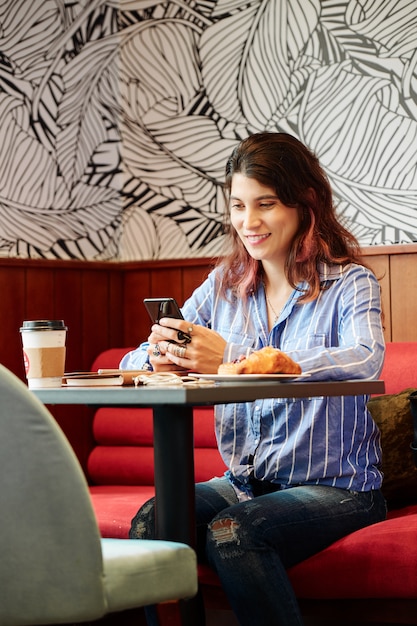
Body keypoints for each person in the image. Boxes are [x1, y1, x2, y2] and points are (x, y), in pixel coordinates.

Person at [120, 132, 387, 626]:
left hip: (339, 489)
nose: (249, 222)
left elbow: (365, 359)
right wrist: (157, 360)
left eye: (265, 204)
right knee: (152, 521)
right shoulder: (224, 286)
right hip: (244, 483)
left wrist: (234, 355)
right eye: (238, 206)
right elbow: (133, 360)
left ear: (304, 204)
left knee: (233, 532)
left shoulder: (349, 282)